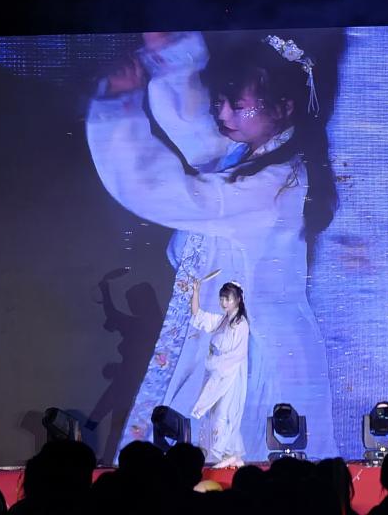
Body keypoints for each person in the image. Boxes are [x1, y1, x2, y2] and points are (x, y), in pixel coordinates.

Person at [86, 30, 340, 461]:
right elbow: (200, 134)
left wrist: (120, 109)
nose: (221, 113)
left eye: (236, 105)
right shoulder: (254, 157)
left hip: (253, 352)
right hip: (235, 340)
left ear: (284, 107)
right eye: (220, 101)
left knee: (242, 459)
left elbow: (170, 192)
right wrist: (171, 53)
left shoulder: (271, 185)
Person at [188, 279, 249, 467]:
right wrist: (196, 292)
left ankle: (223, 453)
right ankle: (225, 454)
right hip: (217, 372)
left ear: (238, 300)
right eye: (222, 298)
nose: (223, 302)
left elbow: (238, 354)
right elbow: (198, 315)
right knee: (214, 413)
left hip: (229, 373)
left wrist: (218, 365)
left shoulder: (241, 324)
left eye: (227, 299)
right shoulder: (223, 320)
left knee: (224, 412)